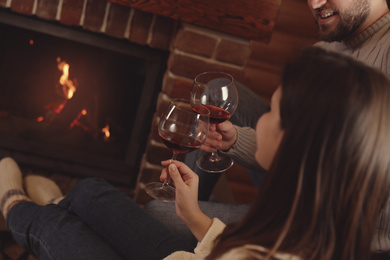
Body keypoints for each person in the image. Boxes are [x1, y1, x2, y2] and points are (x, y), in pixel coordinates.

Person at [1, 47, 390, 259]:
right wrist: (196, 217)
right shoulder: (305, 233)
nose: (263, 118)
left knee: (57, 230)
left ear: (299, 144)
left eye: (273, 112)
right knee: (90, 192)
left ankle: (14, 202)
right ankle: (59, 200)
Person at [150, 0, 390, 248]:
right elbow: (292, 144)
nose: (316, 3)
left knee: (157, 215)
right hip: (297, 190)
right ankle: (190, 206)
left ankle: (191, 225)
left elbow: (308, 153)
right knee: (215, 89)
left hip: (322, 227)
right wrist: (234, 140)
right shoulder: (323, 52)